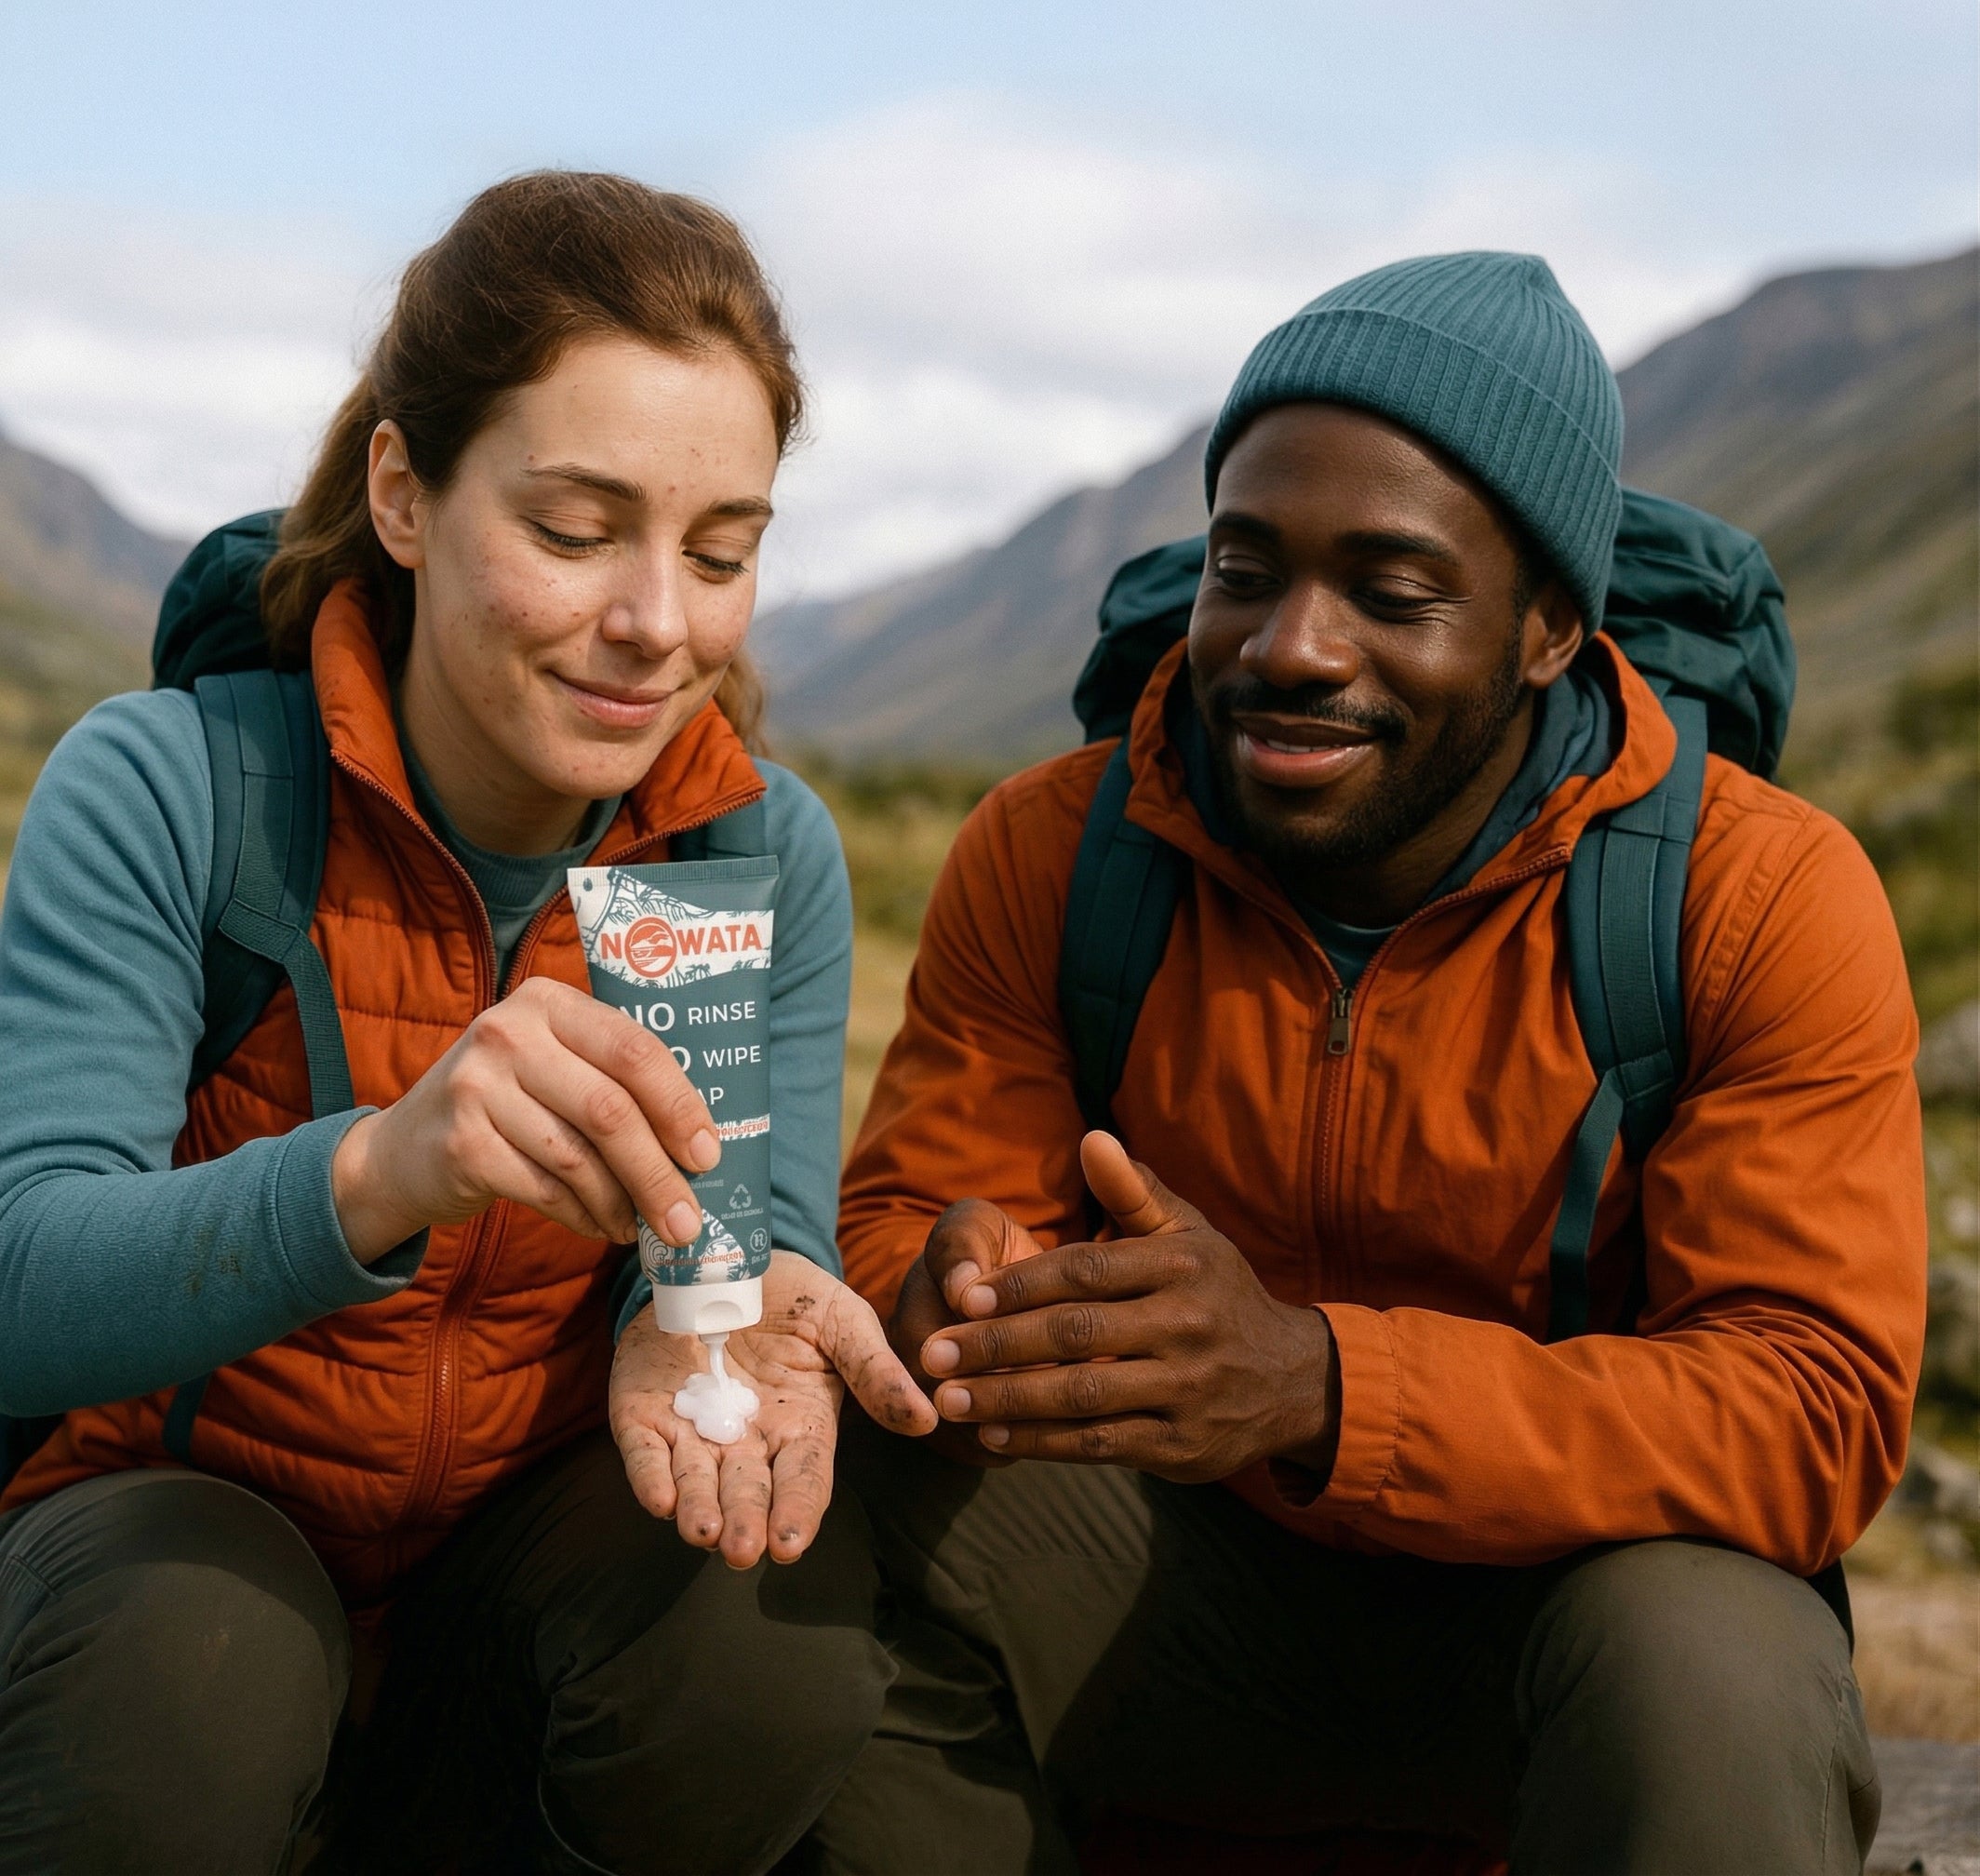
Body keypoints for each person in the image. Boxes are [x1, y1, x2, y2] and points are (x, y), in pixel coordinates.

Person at [821, 253, 1925, 1874]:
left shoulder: (1755, 896)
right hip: (1175, 1601)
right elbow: (905, 1216)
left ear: (1550, 628)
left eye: (1393, 593)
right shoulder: (1056, 852)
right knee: (838, 1501)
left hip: (1561, 1630)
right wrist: (948, 1285)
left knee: (1713, 1662)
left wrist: (1320, 1385)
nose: (1291, 647)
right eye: (1244, 570)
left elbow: (1807, 1407)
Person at [0, 171, 933, 1875]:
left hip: (517, 1566)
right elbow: (20, 1283)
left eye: (721, 552)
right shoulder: (178, 792)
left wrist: (719, 1312)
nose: (658, 623)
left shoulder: (754, 853)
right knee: (196, 1667)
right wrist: (377, 1172)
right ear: (403, 495)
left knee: (764, 1635)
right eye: (576, 532)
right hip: (159, 1559)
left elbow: (752, 1239)